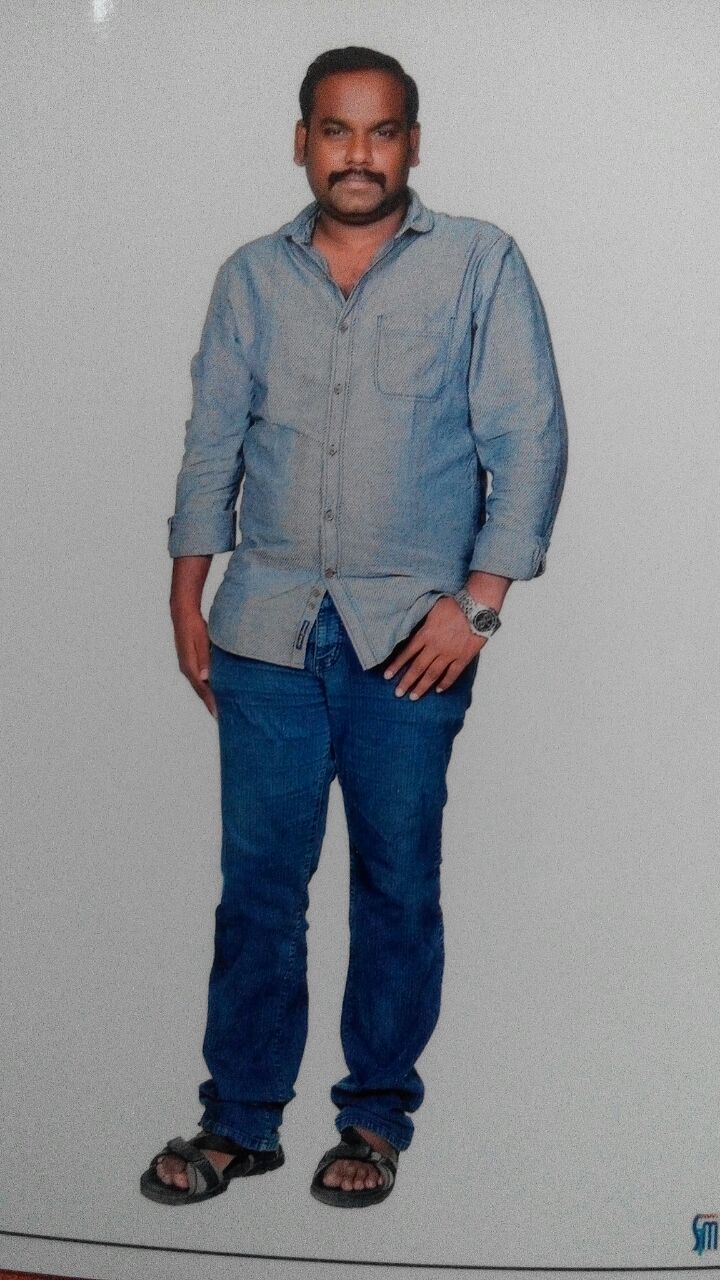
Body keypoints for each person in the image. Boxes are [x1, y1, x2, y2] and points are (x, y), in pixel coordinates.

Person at [140, 45, 568, 1210]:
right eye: (337, 130)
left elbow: (528, 439)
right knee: (258, 888)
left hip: (410, 642)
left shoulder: (479, 262)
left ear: (412, 143)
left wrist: (479, 606)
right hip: (266, 634)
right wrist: (185, 594)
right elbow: (211, 441)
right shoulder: (250, 278)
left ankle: (374, 1118)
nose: (360, 155)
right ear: (304, 141)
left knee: (396, 882)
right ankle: (240, 1119)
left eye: (383, 132)